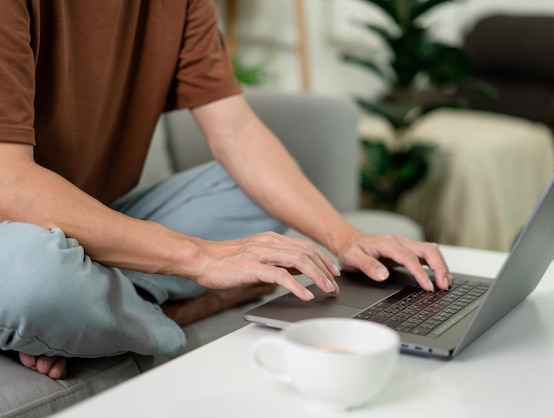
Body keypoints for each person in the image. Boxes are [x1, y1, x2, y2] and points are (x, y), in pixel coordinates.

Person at [0, 0, 452, 380]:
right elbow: (12, 185)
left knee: (250, 194)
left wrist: (344, 237)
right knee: (34, 281)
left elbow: (235, 131)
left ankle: (86, 314)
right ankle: (161, 317)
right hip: (13, 233)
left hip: (95, 216)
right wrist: (203, 260)